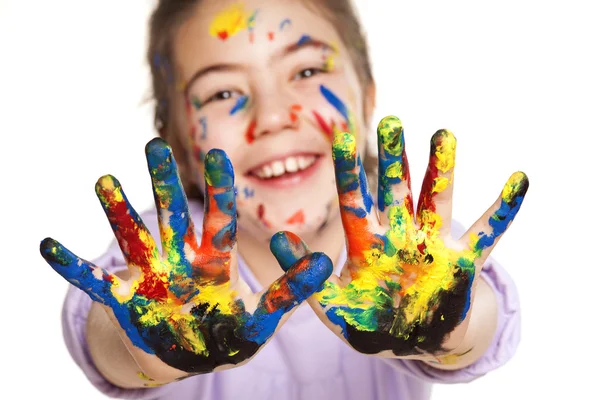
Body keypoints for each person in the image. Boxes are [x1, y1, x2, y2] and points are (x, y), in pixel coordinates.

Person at [40, 0, 529, 399]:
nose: (273, 116)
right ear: (178, 144)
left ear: (368, 98)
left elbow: (482, 322)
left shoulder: (414, 253)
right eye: (222, 92)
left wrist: (449, 328)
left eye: (308, 69)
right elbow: (101, 333)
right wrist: (144, 343)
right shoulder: (164, 263)